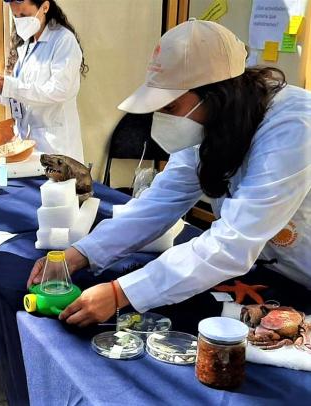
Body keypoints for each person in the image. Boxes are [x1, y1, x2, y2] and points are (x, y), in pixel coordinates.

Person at [28, 20, 311, 327]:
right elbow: (157, 205)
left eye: (171, 106)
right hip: (272, 272)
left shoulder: (292, 127)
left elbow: (232, 242)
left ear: (217, 96)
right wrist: (80, 254)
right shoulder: (215, 125)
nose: (161, 120)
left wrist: (120, 293)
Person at [0, 0, 88, 162]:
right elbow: (20, 97)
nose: (20, 21)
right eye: (16, 16)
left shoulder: (63, 40)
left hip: (55, 148)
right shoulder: (24, 43)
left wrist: (9, 86)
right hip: (25, 146)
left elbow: (59, 91)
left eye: (24, 15)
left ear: (45, 7)